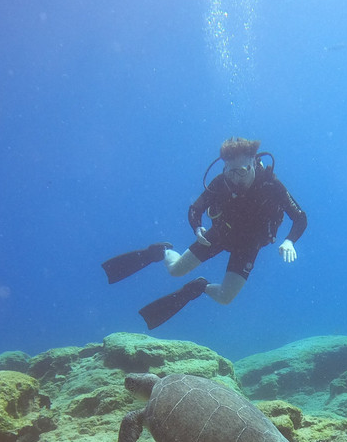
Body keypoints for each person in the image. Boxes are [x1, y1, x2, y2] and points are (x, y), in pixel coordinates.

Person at [101, 137, 308, 329]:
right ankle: (161, 252)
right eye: (230, 171)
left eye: (242, 171)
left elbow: (300, 217)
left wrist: (290, 241)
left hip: (249, 245)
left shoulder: (271, 185)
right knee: (175, 270)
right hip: (220, 235)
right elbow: (195, 209)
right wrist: (197, 227)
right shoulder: (221, 182)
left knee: (225, 298)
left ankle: (199, 286)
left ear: (254, 163)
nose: (236, 178)